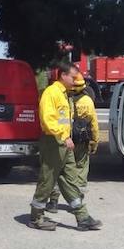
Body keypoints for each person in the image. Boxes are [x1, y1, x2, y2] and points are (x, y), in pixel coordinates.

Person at [29, 62, 102, 231]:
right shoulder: (51, 93)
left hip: (64, 142)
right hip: (53, 142)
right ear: (63, 76)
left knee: (71, 179)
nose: (76, 80)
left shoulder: (64, 94)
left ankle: (82, 217)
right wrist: (63, 137)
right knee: (48, 179)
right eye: (73, 76)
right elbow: (48, 120)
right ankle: (36, 217)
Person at [46, 74, 100, 213]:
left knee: (59, 170)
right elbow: (93, 124)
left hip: (64, 139)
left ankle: (53, 202)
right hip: (81, 141)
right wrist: (94, 141)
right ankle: (77, 201)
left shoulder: (62, 98)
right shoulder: (88, 101)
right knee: (81, 169)